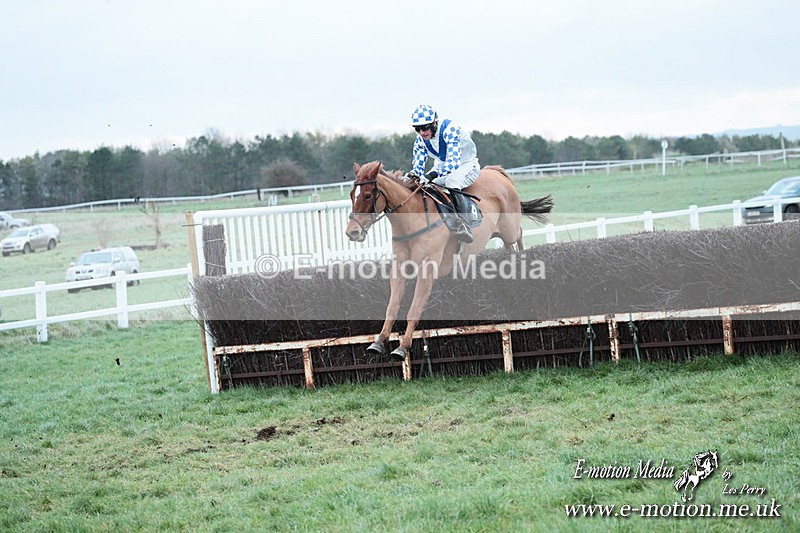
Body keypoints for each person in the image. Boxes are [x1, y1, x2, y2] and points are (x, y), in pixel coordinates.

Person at [408, 104, 479, 243]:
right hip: (443, 166)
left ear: (434, 123)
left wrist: (432, 175)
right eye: (418, 129)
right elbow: (418, 167)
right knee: (424, 185)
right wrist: (412, 176)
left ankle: (464, 224)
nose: (422, 132)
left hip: (466, 164)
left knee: (451, 182)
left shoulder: (449, 129)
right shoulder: (420, 141)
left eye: (425, 127)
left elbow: (453, 162)